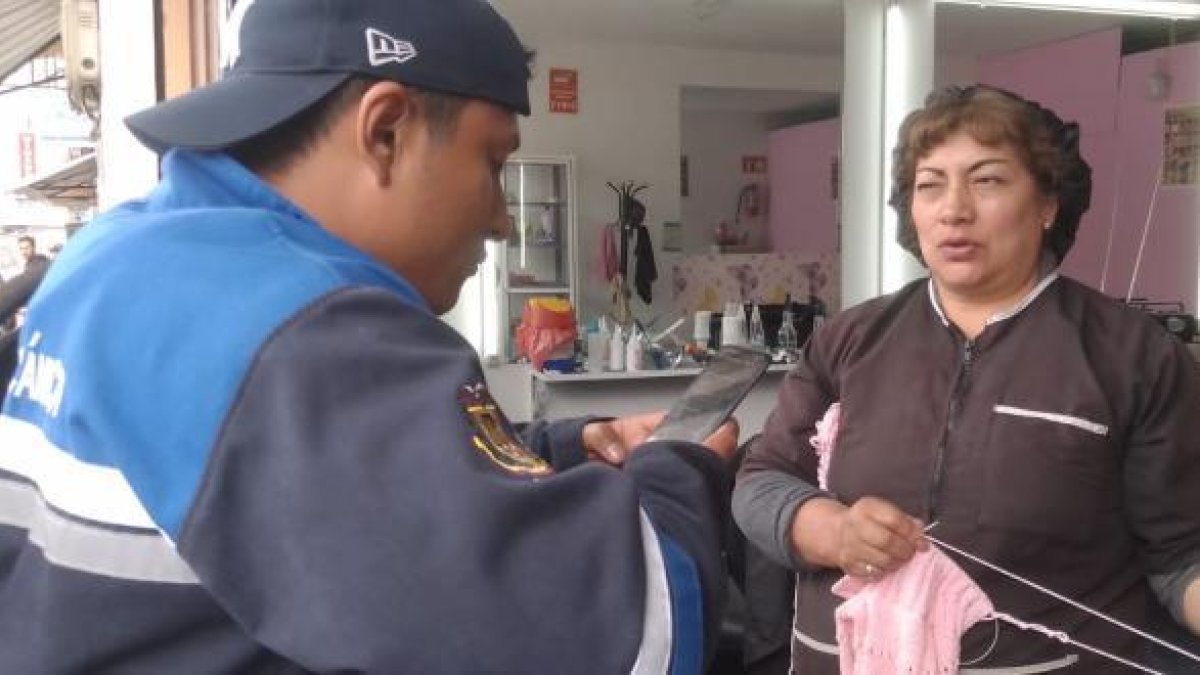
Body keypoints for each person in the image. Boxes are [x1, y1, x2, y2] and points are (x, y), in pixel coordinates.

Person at [0, 0, 739, 672]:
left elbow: (287, 487)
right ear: (385, 131)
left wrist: (562, 446)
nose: (502, 220)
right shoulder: (308, 333)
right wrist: (678, 466)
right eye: (493, 161)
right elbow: (631, 632)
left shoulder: (113, 257)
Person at [733, 84, 1200, 673]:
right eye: (930, 185)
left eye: (988, 180)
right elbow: (761, 481)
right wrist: (832, 530)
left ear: (1048, 203)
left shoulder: (1133, 355)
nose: (954, 209)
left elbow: (1181, 552)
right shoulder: (851, 340)